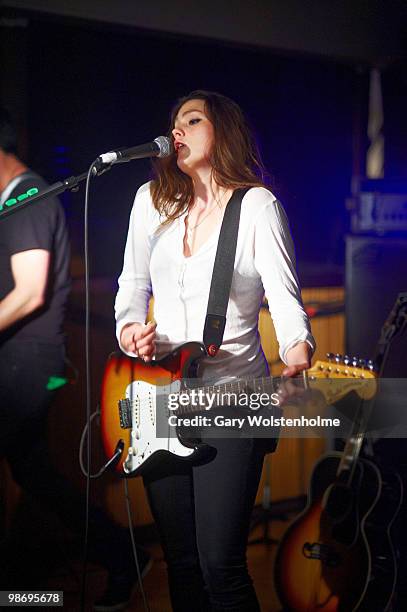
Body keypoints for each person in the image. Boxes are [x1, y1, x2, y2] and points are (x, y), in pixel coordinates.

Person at [115, 90, 315, 611]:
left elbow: (285, 298)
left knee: (219, 566)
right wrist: (129, 329)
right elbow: (131, 288)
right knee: (179, 562)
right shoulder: (150, 201)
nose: (177, 131)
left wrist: (298, 349)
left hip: (232, 398)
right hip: (160, 396)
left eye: (192, 120)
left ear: (222, 130)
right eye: (174, 122)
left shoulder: (256, 206)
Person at [0, 107, 151, 611]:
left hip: (25, 361)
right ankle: (115, 556)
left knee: (33, 471)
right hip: (17, 360)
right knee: (31, 470)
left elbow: (28, 293)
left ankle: (116, 556)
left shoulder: (26, 196)